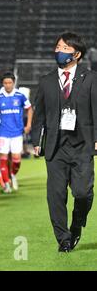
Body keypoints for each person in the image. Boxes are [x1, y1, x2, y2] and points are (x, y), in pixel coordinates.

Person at [32, 32, 97, 253]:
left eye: (65, 48)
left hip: (83, 145)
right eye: (58, 47)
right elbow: (38, 114)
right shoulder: (46, 81)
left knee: (83, 193)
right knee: (56, 195)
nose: (59, 51)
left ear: (77, 54)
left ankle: (77, 224)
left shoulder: (91, 78)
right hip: (55, 147)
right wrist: (36, 139)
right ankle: (64, 238)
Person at [0, 72, 33, 193]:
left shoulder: (20, 95)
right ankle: (6, 183)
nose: (7, 85)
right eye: (5, 83)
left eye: (10, 83)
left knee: (16, 159)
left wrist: (28, 124)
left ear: (13, 83)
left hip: (17, 132)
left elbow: (29, 109)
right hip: (3, 132)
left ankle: (12, 174)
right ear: (3, 83)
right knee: (3, 158)